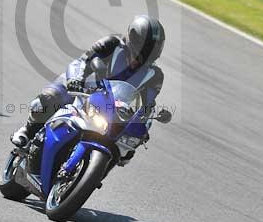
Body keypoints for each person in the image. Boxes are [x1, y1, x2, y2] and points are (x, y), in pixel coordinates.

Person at [11, 15, 169, 148]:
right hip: (83, 91)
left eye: (147, 56)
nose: (138, 61)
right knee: (49, 99)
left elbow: (147, 104)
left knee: (125, 147)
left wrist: (145, 124)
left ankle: (96, 170)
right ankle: (27, 130)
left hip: (112, 111)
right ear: (132, 40)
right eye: (138, 55)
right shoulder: (111, 45)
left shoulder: (154, 76)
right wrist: (76, 78)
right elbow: (82, 61)